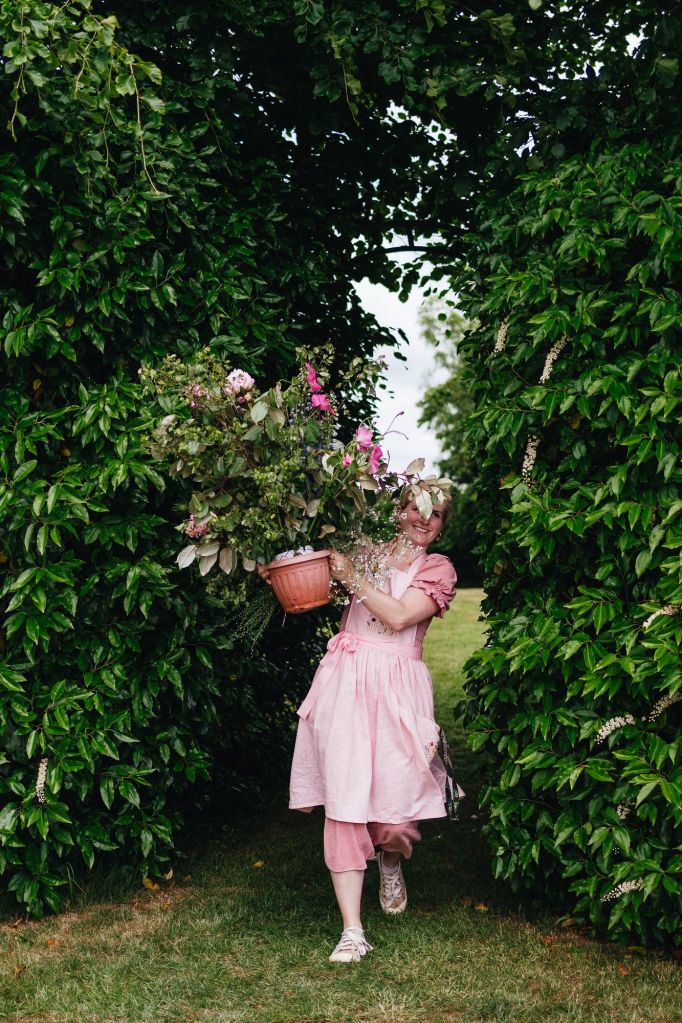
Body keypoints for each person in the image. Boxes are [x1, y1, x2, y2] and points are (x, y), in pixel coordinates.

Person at [282, 487, 462, 963]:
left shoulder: (438, 569)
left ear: (442, 526)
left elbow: (400, 617)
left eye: (436, 514)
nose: (425, 520)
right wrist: (285, 565)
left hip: (399, 690)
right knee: (344, 802)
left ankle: (390, 860)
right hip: (345, 681)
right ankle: (352, 930)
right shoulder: (365, 552)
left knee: (397, 816)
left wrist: (352, 576)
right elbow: (314, 583)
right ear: (400, 512)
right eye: (417, 509)